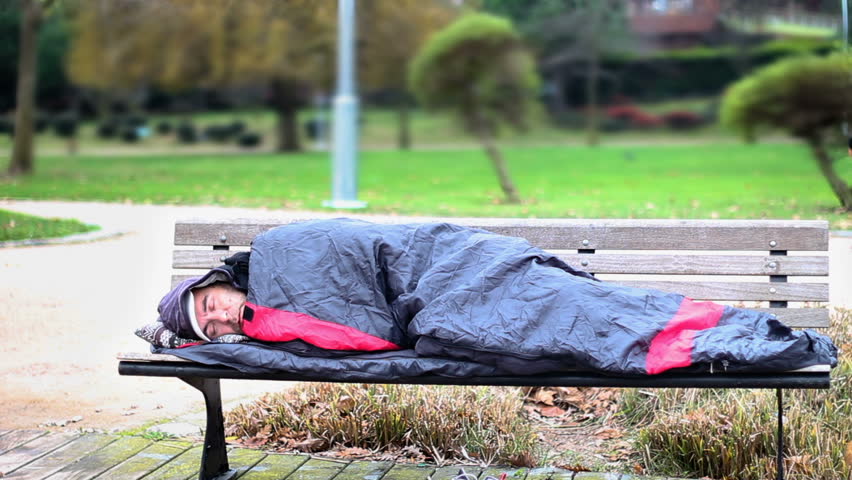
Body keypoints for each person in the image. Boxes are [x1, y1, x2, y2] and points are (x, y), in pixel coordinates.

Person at [139, 218, 836, 377]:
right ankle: (717, 337)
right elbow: (363, 338)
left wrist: (250, 324)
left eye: (213, 303)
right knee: (564, 327)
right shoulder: (268, 324)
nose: (223, 315)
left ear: (217, 283)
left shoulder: (278, 254)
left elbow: (374, 313)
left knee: (572, 315)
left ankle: (727, 333)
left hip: (453, 272)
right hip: (436, 308)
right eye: (212, 327)